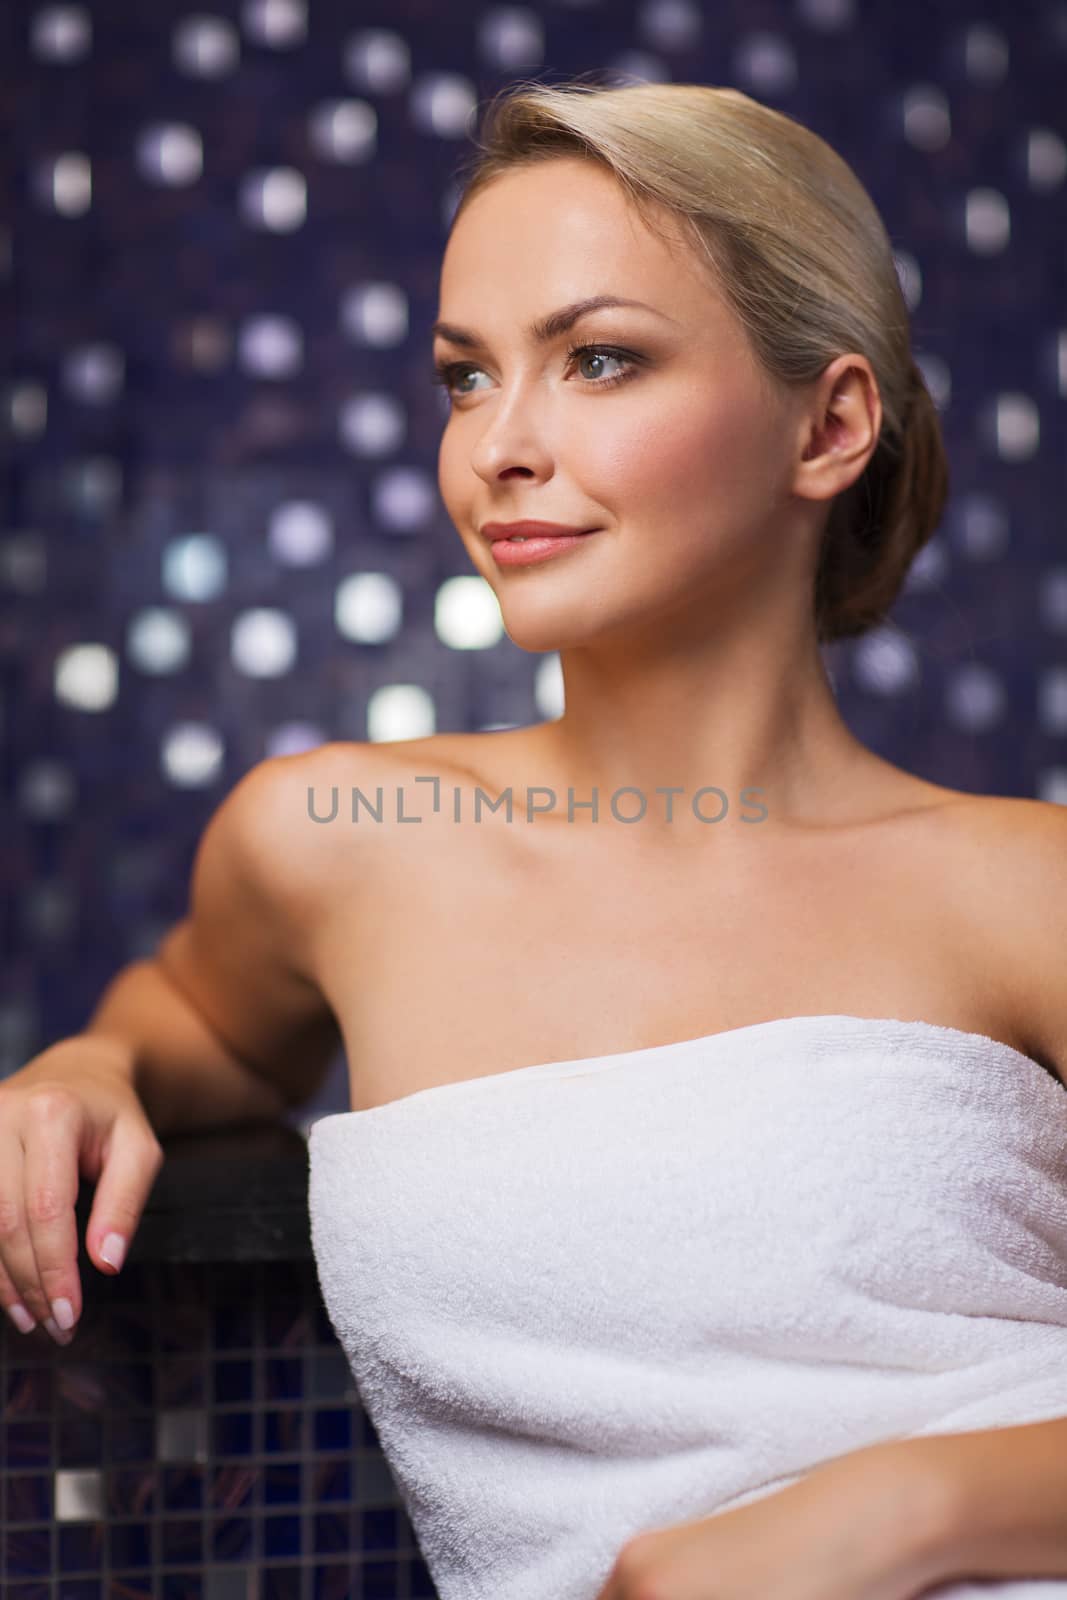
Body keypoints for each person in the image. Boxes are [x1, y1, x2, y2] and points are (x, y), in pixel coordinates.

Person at [2, 76, 1066, 1600]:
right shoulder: (341, 841)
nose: (500, 446)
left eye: (600, 361)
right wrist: (87, 1069)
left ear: (829, 425)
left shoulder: (1030, 889)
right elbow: (198, 1023)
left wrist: (887, 1517)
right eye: (464, 378)